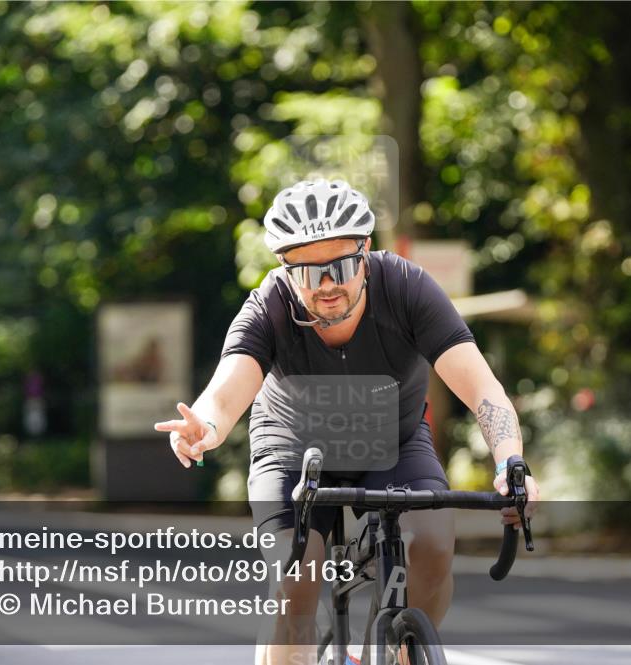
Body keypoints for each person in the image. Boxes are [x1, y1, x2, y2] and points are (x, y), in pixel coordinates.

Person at [155, 179, 540, 665]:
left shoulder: (407, 288)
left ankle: (397, 650)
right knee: (295, 582)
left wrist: (511, 463)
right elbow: (227, 391)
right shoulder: (268, 306)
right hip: (293, 447)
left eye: (339, 266)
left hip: (392, 439)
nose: (326, 285)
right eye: (307, 273)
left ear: (366, 253)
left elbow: (483, 389)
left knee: (436, 542)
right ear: (285, 270)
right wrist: (205, 427)